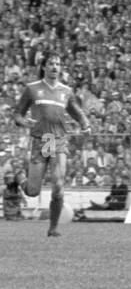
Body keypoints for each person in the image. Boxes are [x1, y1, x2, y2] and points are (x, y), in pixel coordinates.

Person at [13, 53, 92, 237]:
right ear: (44, 67)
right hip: (41, 141)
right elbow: (17, 115)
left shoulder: (66, 91)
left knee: (58, 185)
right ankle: (20, 177)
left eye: (58, 63)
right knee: (33, 191)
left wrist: (86, 125)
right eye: (51, 64)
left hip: (58, 140)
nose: (55, 67)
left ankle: (53, 228)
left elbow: (77, 112)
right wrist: (25, 123)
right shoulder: (32, 89)